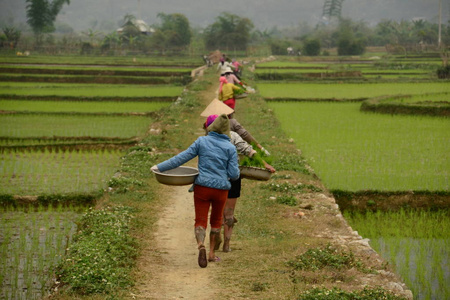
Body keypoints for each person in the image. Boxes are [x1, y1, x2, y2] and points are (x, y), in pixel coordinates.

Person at [151, 114, 240, 268]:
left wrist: (160, 167)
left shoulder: (202, 141)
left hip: (202, 188)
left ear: (211, 128)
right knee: (216, 220)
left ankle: (201, 246)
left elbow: (181, 158)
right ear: (227, 131)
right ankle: (212, 254)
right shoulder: (230, 148)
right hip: (221, 190)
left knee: (200, 220)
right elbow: (234, 174)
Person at [220, 131, 276, 252]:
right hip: (233, 177)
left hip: (215, 177)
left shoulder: (208, 137)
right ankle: (226, 244)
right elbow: (249, 151)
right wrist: (264, 164)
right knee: (229, 213)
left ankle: (214, 239)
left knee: (217, 211)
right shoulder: (232, 135)